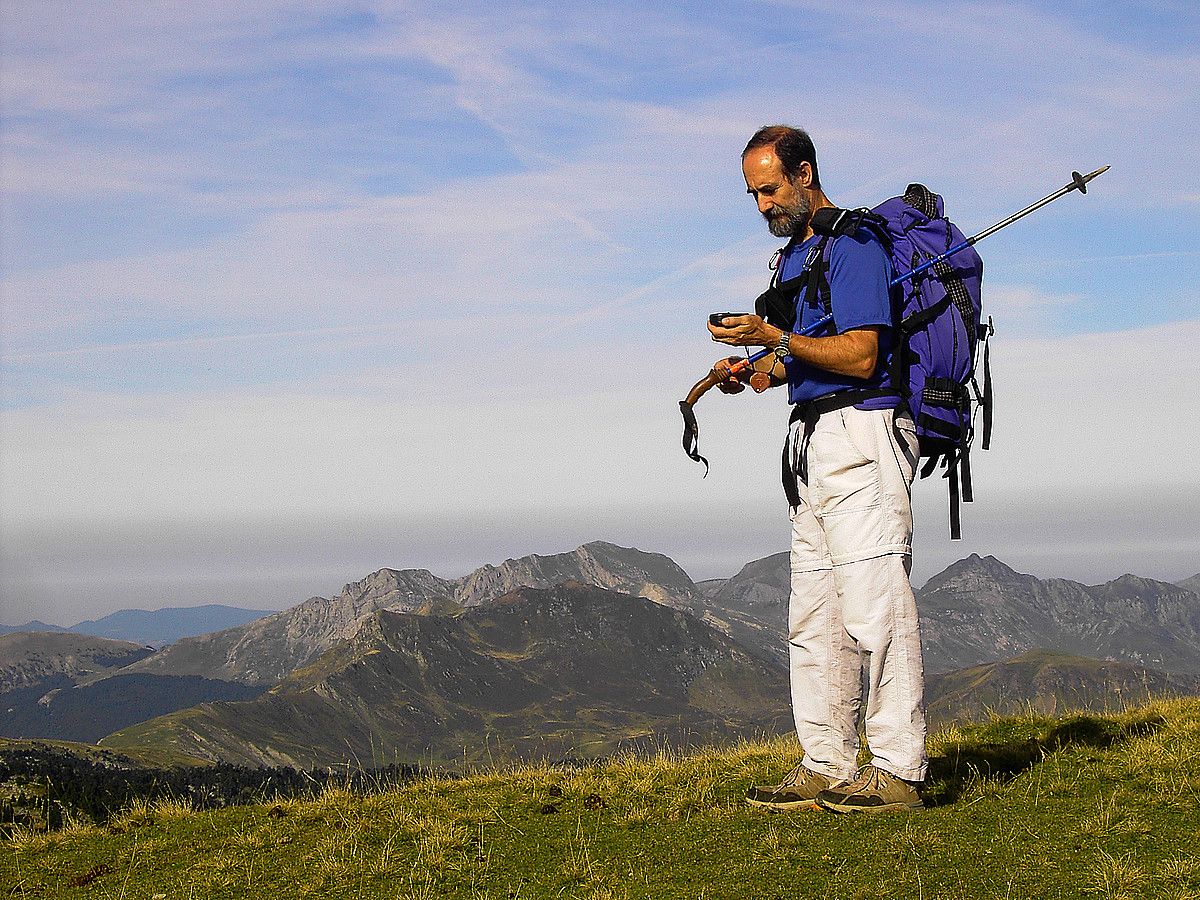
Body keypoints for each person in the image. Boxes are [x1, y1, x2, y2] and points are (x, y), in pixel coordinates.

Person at [708, 125, 927, 813]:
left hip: (862, 433)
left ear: (805, 174)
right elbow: (803, 358)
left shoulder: (854, 246)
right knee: (816, 614)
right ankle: (826, 761)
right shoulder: (797, 261)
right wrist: (752, 368)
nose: (763, 206)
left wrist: (775, 337)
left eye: (770, 189)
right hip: (812, 444)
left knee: (876, 606)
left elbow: (862, 355)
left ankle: (897, 770)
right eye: (754, 194)